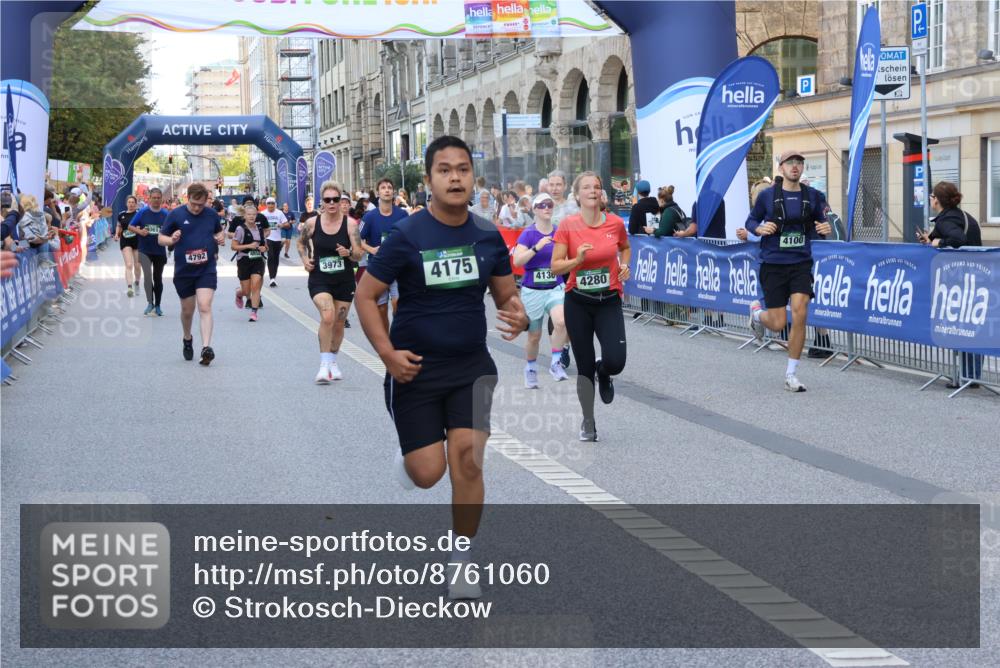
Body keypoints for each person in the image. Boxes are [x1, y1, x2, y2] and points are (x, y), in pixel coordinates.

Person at [356, 136, 528, 600]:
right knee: (428, 472)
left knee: (468, 463)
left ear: (473, 177)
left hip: (471, 366)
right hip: (414, 370)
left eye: (463, 169)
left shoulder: (488, 235)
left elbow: (506, 294)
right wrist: (387, 355)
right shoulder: (408, 237)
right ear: (429, 179)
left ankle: (461, 559)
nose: (455, 177)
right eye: (445, 169)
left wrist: (520, 314)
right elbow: (366, 296)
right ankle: (411, 462)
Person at [550, 172, 630, 442]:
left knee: (616, 360)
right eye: (587, 187)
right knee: (583, 368)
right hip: (578, 302)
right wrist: (577, 260)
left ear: (601, 193)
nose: (593, 190)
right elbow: (555, 266)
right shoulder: (567, 226)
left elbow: (625, 247)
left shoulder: (616, 223)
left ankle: (604, 371)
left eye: (597, 186)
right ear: (577, 195)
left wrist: (625, 266)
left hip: (608, 300)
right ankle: (588, 421)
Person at [746, 150, 832, 392]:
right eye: (790, 162)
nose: (795, 166)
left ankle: (791, 374)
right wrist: (760, 229)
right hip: (773, 264)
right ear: (781, 168)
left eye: (799, 162)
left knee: (800, 312)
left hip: (800, 263)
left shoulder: (814, 196)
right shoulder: (766, 197)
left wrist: (825, 227)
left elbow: (824, 225)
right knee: (777, 323)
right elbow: (750, 222)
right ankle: (756, 314)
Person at [919, 181, 984, 388]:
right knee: (971, 327)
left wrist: (939, 243)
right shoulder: (962, 216)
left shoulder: (946, 219)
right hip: (979, 277)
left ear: (936, 200)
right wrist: (930, 238)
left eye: (931, 196)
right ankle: (970, 375)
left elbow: (957, 239)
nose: (930, 199)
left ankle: (967, 377)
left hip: (962, 280)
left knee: (963, 326)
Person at [299, 182, 363, 383]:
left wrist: (349, 253)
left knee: (338, 322)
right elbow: (301, 243)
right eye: (328, 200)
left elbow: (359, 254)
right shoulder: (312, 224)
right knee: (328, 316)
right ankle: (324, 365)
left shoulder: (350, 225)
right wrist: (305, 260)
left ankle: (333, 361)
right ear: (322, 202)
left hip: (344, 280)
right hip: (319, 279)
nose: (333, 203)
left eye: (336, 199)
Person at [158, 183, 225, 365]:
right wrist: (171, 239)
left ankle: (206, 347)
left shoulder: (211, 214)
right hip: (184, 270)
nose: (197, 208)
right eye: (194, 203)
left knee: (205, 306)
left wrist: (221, 237)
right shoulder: (176, 214)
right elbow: (160, 238)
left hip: (206, 268)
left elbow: (220, 233)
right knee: (188, 311)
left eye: (201, 205)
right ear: (188, 198)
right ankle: (187, 338)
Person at [512, 192, 570, 387]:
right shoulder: (528, 234)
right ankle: (530, 367)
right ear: (535, 210)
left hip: (555, 286)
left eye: (550, 205)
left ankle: (555, 362)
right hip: (532, 290)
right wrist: (536, 248)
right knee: (534, 336)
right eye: (542, 205)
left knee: (561, 322)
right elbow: (517, 261)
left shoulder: (559, 231)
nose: (547, 208)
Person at [361, 178, 409, 332]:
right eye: (383, 188)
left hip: (399, 268)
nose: (387, 190)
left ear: (393, 192)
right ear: (378, 192)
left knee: (397, 304)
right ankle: (386, 341)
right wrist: (371, 249)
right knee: (381, 310)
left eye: (389, 187)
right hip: (378, 269)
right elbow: (357, 239)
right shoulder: (369, 216)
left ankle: (397, 334)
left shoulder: (402, 215)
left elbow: (410, 238)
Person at [131, 188, 169, 316]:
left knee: (157, 278)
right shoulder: (142, 212)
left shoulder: (165, 214)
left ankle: (158, 305)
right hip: (145, 250)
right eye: (154, 197)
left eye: (159, 198)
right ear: (149, 198)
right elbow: (130, 226)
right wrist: (140, 232)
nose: (156, 200)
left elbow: (173, 228)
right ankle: (149, 303)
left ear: (161, 199)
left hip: (159, 250)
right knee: (147, 278)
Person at [231, 201, 268, 322]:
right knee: (247, 290)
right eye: (249, 214)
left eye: (254, 214)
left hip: (257, 259)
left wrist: (264, 248)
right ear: (245, 216)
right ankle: (239, 293)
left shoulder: (260, 229)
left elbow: (265, 245)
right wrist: (249, 245)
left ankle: (254, 312)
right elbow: (234, 246)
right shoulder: (240, 229)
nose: (251, 216)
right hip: (244, 260)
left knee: (256, 285)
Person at [114, 195, 142, 297]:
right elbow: (118, 225)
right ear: (126, 204)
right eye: (129, 202)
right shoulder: (121, 215)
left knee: (137, 265)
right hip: (125, 241)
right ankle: (130, 287)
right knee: (129, 265)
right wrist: (117, 234)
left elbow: (143, 225)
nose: (131, 204)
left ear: (136, 204)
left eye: (133, 202)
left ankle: (137, 283)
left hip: (137, 241)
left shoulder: (139, 213)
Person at [261, 197, 289, 286]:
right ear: (266, 204)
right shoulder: (263, 213)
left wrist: (281, 225)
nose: (270, 205)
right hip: (268, 238)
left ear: (275, 204)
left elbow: (287, 224)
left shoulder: (279, 213)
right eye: (269, 203)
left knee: (276, 258)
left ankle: (274, 277)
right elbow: (258, 225)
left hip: (277, 239)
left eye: (272, 203)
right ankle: (271, 278)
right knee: (271, 256)